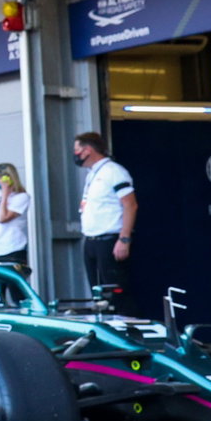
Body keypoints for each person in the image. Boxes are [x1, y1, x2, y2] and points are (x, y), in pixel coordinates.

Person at [74, 130, 137, 312]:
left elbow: (130, 205)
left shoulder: (114, 172)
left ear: (87, 150)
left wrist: (124, 239)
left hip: (110, 239)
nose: (76, 155)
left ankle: (127, 330)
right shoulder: (92, 174)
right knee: (98, 294)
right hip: (91, 240)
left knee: (116, 292)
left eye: (77, 150)